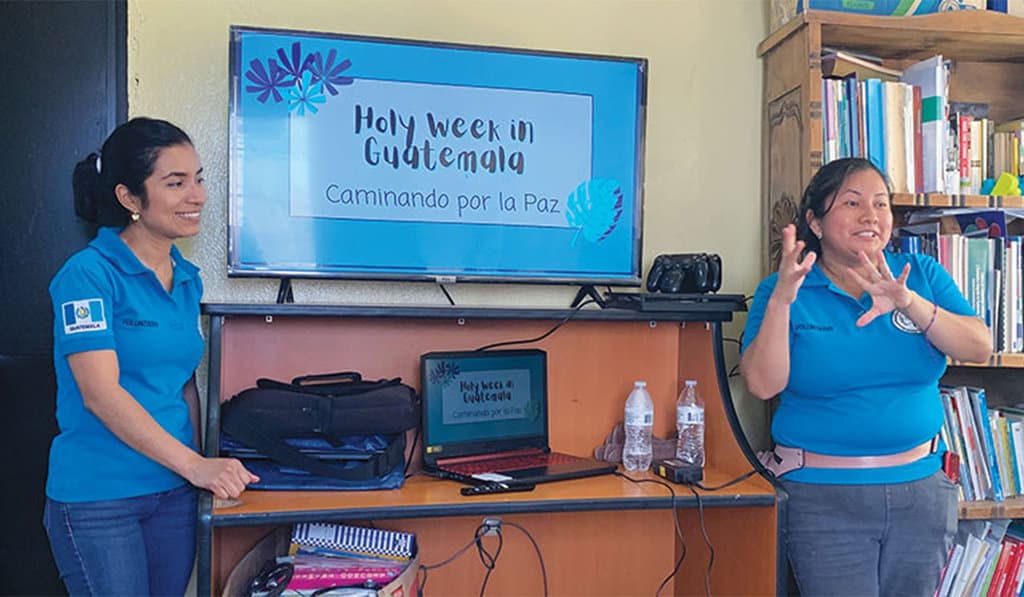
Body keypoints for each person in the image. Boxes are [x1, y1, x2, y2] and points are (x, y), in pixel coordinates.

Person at [740, 157, 993, 596]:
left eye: (880, 204)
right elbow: (763, 384)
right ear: (815, 222)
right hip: (822, 497)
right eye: (852, 203)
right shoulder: (784, 289)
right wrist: (782, 301)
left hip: (922, 493)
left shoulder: (922, 276)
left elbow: (979, 347)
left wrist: (909, 302)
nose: (870, 216)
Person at [43, 117, 259, 596]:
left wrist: (201, 465)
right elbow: (100, 394)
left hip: (173, 494)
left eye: (199, 179)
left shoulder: (186, 277)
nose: (197, 195)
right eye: (176, 183)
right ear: (129, 198)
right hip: (101, 499)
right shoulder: (87, 276)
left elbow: (183, 382)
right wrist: (196, 466)